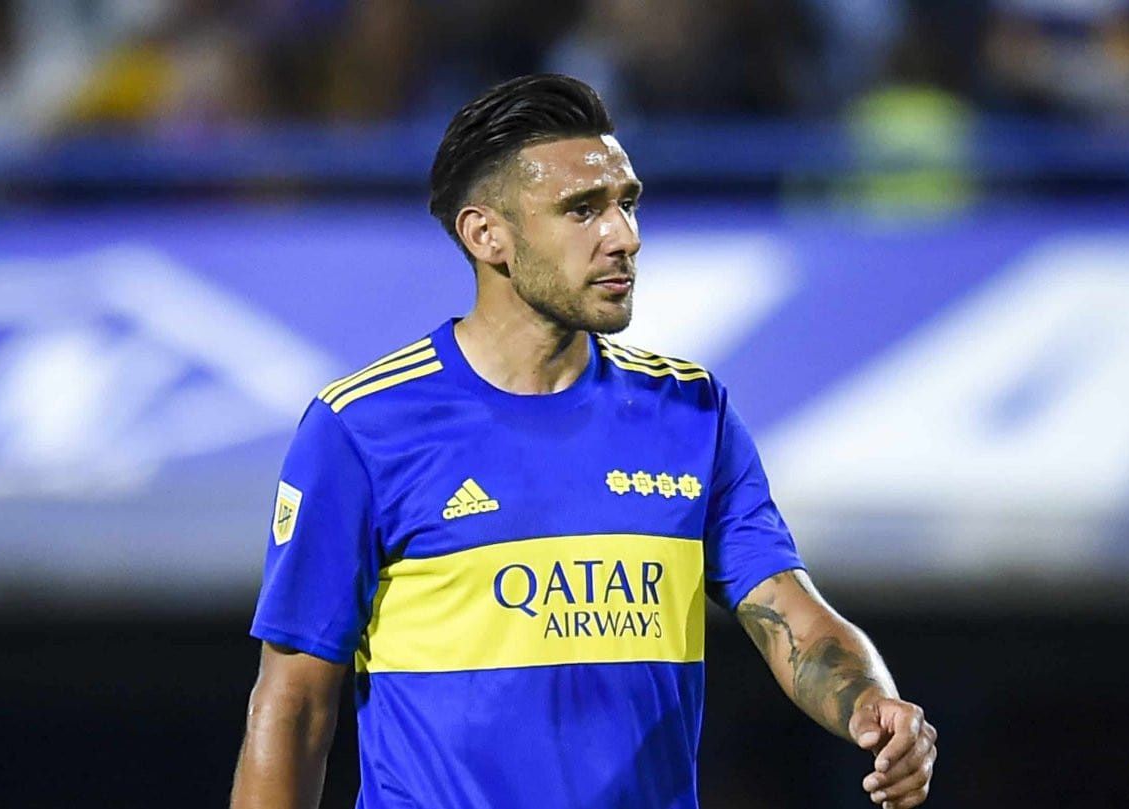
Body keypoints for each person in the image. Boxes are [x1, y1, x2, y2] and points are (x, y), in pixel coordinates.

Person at [229, 74, 937, 809]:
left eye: (627, 202)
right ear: (486, 235)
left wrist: (869, 701)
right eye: (582, 210)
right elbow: (294, 706)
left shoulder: (692, 412)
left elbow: (791, 616)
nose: (624, 236)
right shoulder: (361, 427)